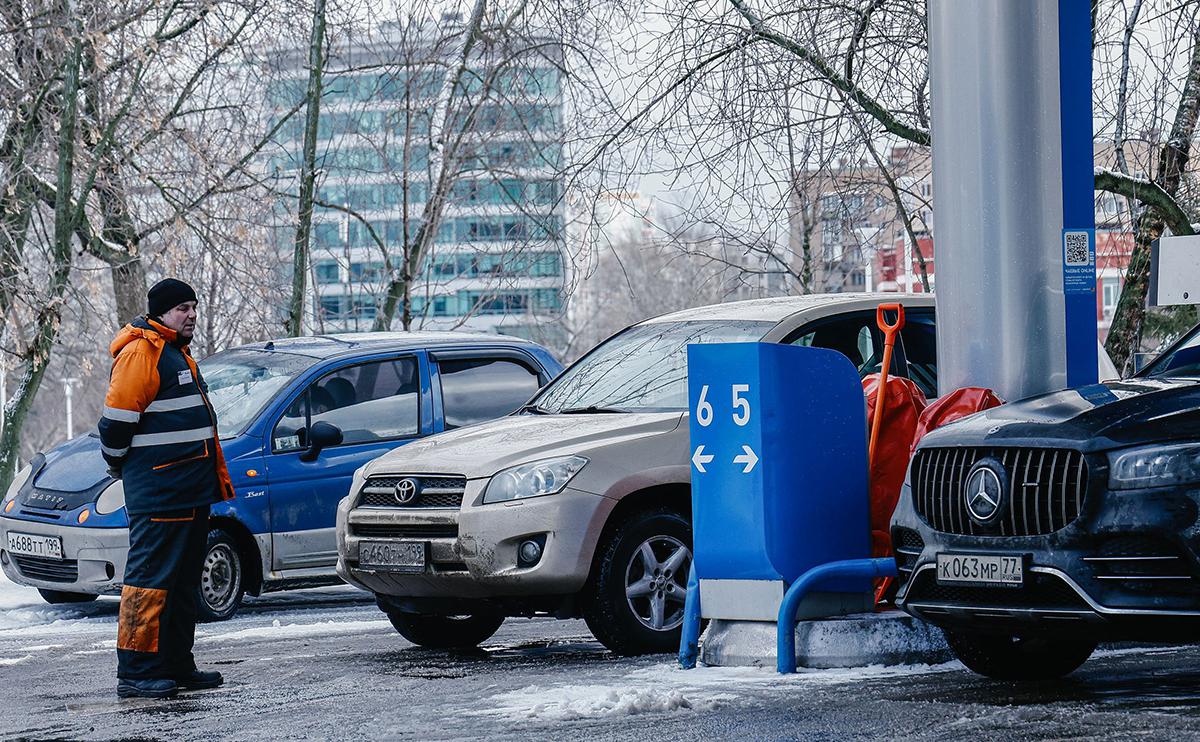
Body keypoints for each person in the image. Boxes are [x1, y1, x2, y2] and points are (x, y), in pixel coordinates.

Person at [98, 278, 235, 699]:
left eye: (193, 306)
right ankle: (137, 672)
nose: (191, 314)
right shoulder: (143, 352)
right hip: (160, 492)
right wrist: (122, 465)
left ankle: (177, 664)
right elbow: (115, 425)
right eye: (181, 308)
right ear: (160, 312)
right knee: (149, 582)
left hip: (189, 491)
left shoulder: (176, 352)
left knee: (181, 582)